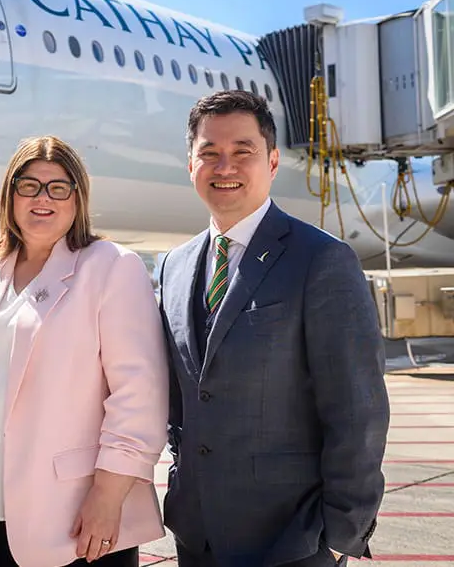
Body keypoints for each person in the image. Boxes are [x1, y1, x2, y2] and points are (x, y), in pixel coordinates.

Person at [157, 90, 390, 566]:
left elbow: (357, 410)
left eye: (243, 152)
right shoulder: (172, 267)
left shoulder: (322, 260)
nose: (225, 167)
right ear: (190, 166)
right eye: (210, 154)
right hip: (196, 533)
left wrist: (341, 533)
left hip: (293, 539)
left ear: (273, 161)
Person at [0, 135, 169, 567]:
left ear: (78, 198)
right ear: (10, 195)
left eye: (58, 187)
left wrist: (107, 497)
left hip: (78, 520)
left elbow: (139, 397)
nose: (43, 198)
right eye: (29, 185)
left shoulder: (110, 267)